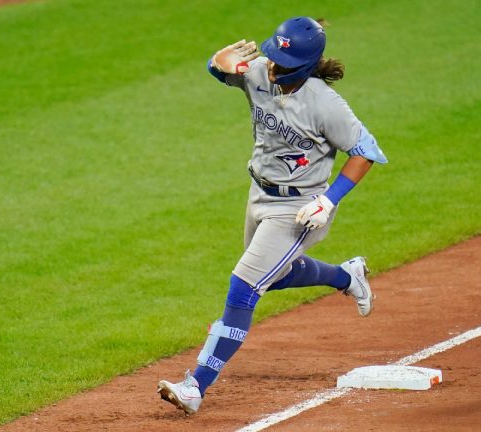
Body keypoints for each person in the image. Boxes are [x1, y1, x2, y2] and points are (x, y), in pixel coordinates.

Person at [157, 16, 388, 415]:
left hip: (299, 209)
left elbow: (367, 152)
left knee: (243, 286)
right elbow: (222, 71)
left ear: (303, 65)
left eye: (283, 64)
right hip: (259, 195)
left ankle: (196, 385)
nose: (273, 68)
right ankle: (346, 277)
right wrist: (216, 62)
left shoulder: (325, 104)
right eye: (272, 58)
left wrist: (329, 200)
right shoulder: (261, 72)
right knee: (274, 275)